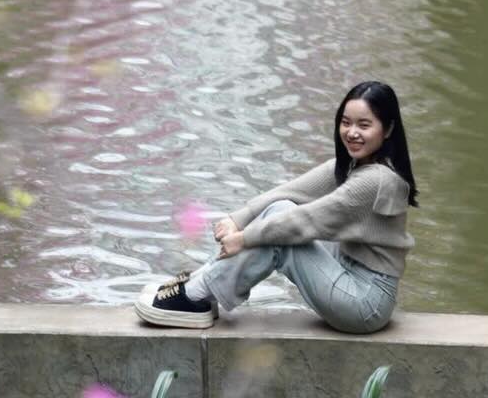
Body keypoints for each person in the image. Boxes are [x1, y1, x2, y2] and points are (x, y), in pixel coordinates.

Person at [134, 79, 416, 336]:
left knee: (281, 232)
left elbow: (305, 221)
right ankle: (200, 286)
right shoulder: (359, 165)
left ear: (388, 129)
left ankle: (197, 294)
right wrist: (238, 219)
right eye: (346, 122)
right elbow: (292, 191)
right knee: (281, 206)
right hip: (350, 271)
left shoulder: (376, 180)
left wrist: (243, 238)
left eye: (364, 125)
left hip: (366, 303)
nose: (352, 132)